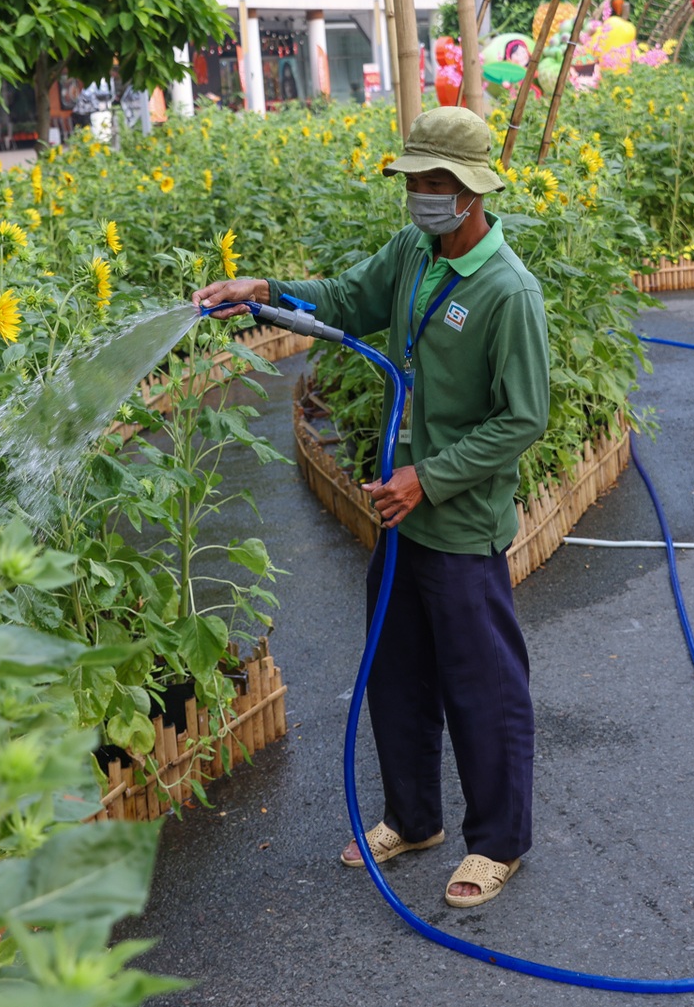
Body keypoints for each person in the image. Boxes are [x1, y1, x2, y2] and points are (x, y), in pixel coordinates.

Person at [193, 107, 548, 910]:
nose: (418, 196)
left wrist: (432, 476)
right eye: (414, 182)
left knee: (481, 685)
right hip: (401, 514)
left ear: (467, 190)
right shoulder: (414, 255)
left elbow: (523, 418)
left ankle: (497, 841)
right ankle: (413, 816)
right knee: (396, 672)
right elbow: (349, 298)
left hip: (457, 521)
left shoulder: (506, 291)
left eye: (431, 184)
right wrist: (267, 291)